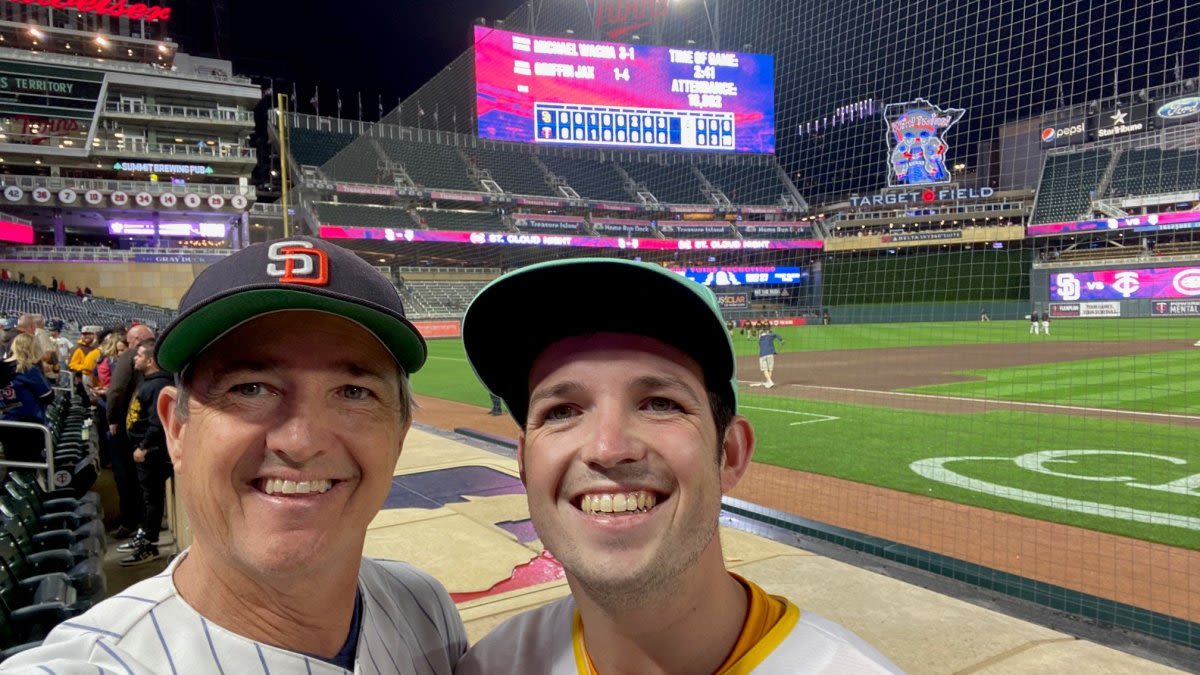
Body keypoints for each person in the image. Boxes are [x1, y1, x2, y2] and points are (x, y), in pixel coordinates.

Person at [1, 236, 467, 673]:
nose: (301, 441)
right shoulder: (91, 663)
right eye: (250, 389)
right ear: (176, 428)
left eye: (353, 392)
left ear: (398, 436)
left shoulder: (426, 609)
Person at [457, 258, 901, 674]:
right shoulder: (492, 664)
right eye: (561, 411)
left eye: (660, 404)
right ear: (524, 465)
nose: (608, 448)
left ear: (729, 454)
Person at [115, 338, 173, 566]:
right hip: (144, 449)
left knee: (152, 498)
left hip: (152, 452)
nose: (135, 359)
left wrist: (144, 446)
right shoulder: (148, 381)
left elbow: (156, 423)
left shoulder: (158, 385)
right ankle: (145, 534)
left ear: (150, 360)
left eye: (139, 356)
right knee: (147, 496)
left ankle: (149, 543)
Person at [105, 323, 154, 539]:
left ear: (136, 339)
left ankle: (130, 522)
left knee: (126, 475)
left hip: (129, 425)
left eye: (130, 340)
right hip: (150, 425)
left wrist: (112, 418)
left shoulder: (130, 357)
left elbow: (116, 390)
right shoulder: (161, 353)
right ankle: (146, 521)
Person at [0, 334, 54, 464]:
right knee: (29, 465)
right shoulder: (28, 369)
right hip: (29, 423)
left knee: (13, 463)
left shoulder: (1, 365)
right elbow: (47, 396)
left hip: (5, 422)